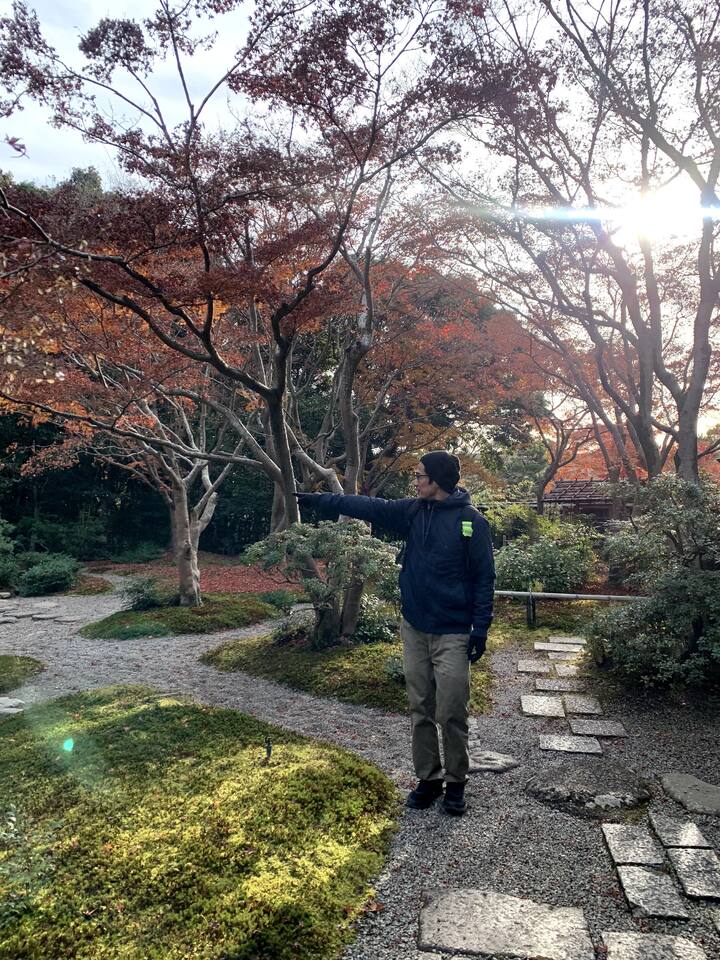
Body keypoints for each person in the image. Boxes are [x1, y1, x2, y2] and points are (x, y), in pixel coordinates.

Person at [296, 450, 495, 816]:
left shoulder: (472, 522)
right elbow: (369, 507)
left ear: (436, 480)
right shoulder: (413, 512)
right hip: (415, 628)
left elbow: (485, 579)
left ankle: (456, 783)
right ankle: (429, 779)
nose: (414, 481)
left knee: (452, 711)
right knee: (420, 708)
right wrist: (320, 501)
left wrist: (480, 628)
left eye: (419, 476)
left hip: (453, 631)